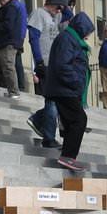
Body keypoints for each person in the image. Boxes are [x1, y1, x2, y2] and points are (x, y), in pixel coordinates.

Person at [43, 12, 95, 172]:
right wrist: (76, 82)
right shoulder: (67, 39)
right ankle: (68, 157)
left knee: (72, 121)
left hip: (66, 89)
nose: (87, 36)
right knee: (79, 119)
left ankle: (67, 156)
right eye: (87, 32)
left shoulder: (71, 39)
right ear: (81, 28)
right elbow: (62, 65)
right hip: (64, 89)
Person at [26, 0, 71, 148]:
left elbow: (68, 20)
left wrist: (67, 5)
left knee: (57, 100)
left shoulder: (57, 16)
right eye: (59, 7)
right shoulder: (39, 14)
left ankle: (38, 119)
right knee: (52, 101)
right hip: (44, 64)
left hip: (56, 65)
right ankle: (48, 137)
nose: (59, 11)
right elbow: (33, 38)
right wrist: (38, 62)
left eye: (61, 9)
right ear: (52, 3)